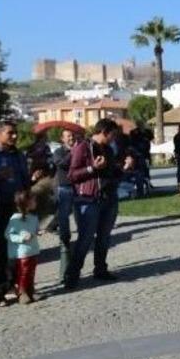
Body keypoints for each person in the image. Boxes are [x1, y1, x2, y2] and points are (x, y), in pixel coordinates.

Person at [63, 118, 134, 290]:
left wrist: (124, 168)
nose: (114, 138)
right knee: (85, 239)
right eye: (113, 134)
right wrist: (92, 168)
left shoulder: (108, 149)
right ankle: (71, 276)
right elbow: (72, 175)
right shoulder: (82, 147)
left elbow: (111, 173)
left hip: (108, 198)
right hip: (88, 199)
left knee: (104, 238)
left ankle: (100, 269)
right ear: (104, 132)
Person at [0, 120, 29, 305]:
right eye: (10, 133)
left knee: (19, 249)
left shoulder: (18, 155)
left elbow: (25, 179)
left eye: (16, 133)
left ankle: (17, 286)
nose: (14, 136)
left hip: (18, 208)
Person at [5, 190, 41, 305]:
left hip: (33, 250)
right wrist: (21, 238)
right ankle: (22, 292)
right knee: (23, 272)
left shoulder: (34, 218)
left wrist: (37, 232)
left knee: (31, 272)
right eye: (33, 200)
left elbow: (35, 230)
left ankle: (31, 291)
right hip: (22, 252)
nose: (36, 202)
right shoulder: (15, 218)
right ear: (26, 203)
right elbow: (8, 234)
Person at [52, 129, 78, 278]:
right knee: (63, 219)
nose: (71, 138)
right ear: (62, 139)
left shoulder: (79, 149)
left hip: (78, 188)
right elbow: (61, 164)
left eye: (72, 135)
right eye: (68, 136)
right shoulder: (58, 152)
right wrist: (72, 153)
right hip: (64, 188)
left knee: (81, 218)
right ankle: (65, 242)